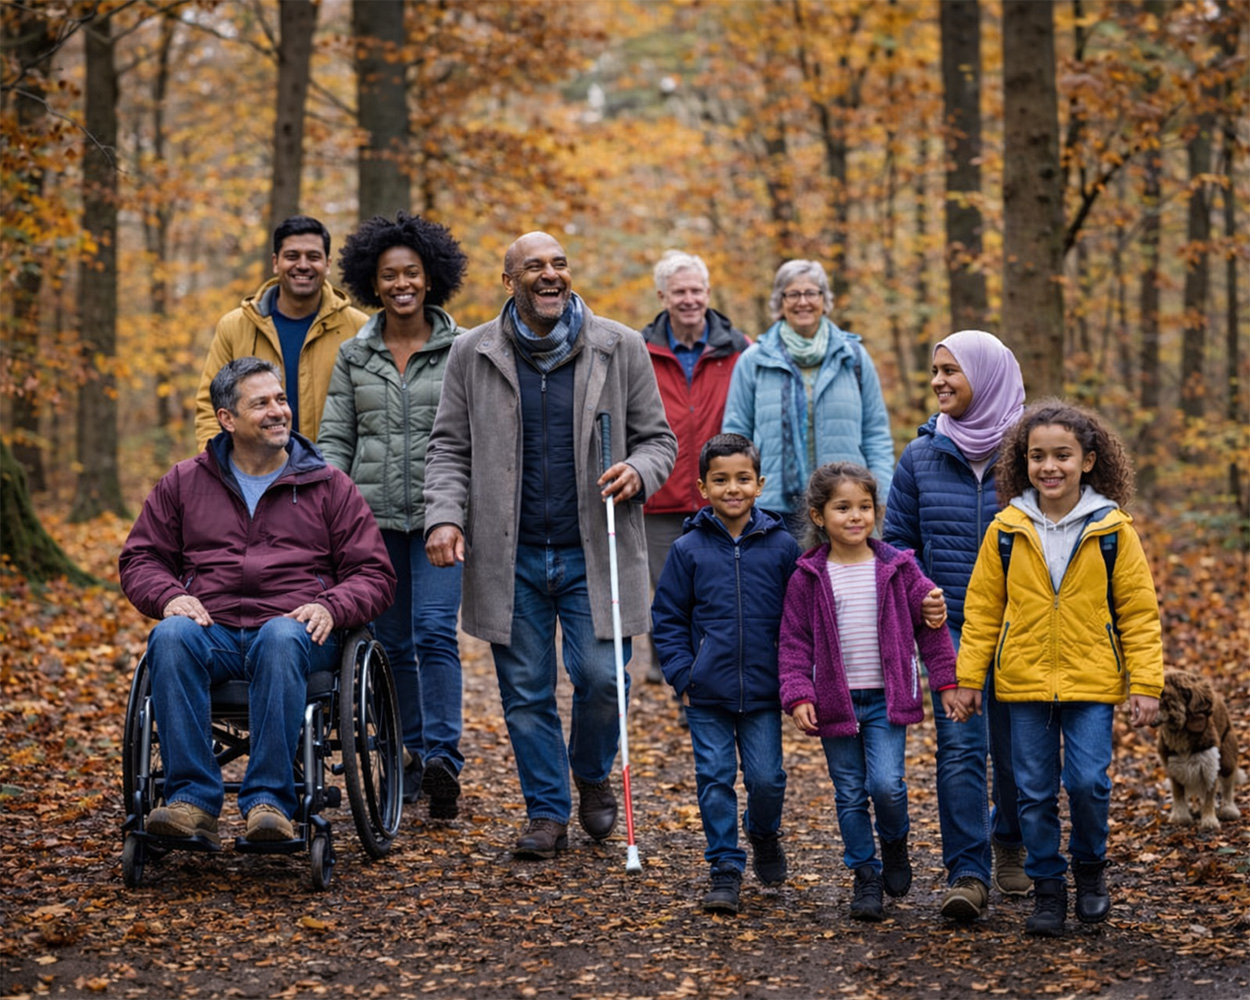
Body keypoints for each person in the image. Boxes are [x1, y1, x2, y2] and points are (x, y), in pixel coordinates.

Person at [423, 231, 677, 860]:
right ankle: (545, 811)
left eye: (559, 263)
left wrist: (639, 471)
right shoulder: (471, 351)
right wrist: (445, 518)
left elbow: (659, 440)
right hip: (510, 558)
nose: (550, 274)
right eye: (533, 266)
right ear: (508, 281)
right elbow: (449, 447)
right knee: (526, 693)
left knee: (600, 681)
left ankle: (590, 772)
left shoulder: (618, 346)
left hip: (596, 550)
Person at [120, 357, 396, 845]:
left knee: (280, 635)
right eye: (262, 403)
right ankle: (190, 801)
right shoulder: (185, 483)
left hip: (299, 634)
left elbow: (374, 573)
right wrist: (168, 597)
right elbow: (141, 558)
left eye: (281, 399)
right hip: (215, 632)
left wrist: (331, 605)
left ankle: (270, 801)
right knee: (170, 636)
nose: (278, 412)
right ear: (227, 419)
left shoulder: (329, 485)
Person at [953, 400, 1163, 937]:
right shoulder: (1006, 528)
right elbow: (981, 609)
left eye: (1063, 455)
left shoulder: (1113, 529)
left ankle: (1090, 873)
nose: (1050, 466)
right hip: (1022, 683)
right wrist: (969, 678)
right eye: (1038, 456)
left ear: (1089, 461)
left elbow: (1138, 612)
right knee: (1032, 791)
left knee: (1089, 782)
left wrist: (1145, 684)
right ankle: (1048, 888)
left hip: (1091, 680)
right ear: (1024, 462)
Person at [318, 212, 470, 819]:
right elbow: (335, 438)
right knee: (392, 642)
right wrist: (332, 508)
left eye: (412, 273)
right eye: (389, 276)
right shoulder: (356, 355)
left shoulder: (462, 349)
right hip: (373, 522)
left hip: (441, 519)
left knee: (436, 632)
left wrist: (460, 510)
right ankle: (406, 756)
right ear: (371, 284)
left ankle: (444, 761)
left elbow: (474, 436)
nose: (401, 283)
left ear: (431, 279)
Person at [881, 329, 1027, 921]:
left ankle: (1012, 841)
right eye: (934, 370)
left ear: (986, 376)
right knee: (960, 749)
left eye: (951, 370)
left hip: (1022, 627)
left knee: (1019, 750)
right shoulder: (920, 456)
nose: (939, 380)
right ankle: (967, 872)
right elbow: (897, 544)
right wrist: (922, 593)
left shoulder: (1030, 454)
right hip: (953, 629)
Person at [778, 463, 957, 922]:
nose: (855, 517)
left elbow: (931, 626)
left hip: (885, 699)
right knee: (850, 795)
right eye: (843, 508)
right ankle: (865, 875)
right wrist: (799, 693)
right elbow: (794, 641)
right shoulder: (807, 577)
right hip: (835, 701)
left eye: (864, 507)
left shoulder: (898, 566)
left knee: (886, 786)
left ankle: (895, 842)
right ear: (819, 517)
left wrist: (946, 681)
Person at [651, 434, 801, 915]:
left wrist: (795, 675)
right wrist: (681, 675)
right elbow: (668, 618)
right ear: (702, 486)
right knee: (714, 779)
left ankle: (762, 832)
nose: (732, 488)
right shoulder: (688, 549)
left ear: (759, 484)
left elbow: (799, 618)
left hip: (763, 690)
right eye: (720, 479)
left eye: (742, 479)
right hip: (707, 691)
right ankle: (724, 867)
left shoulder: (782, 547)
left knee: (766, 778)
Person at [638, 251, 751, 692]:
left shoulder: (740, 347)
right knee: (671, 592)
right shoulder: (640, 350)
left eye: (696, 290)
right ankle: (680, 677)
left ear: (708, 293)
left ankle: (707, 683)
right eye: (679, 291)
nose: (689, 299)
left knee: (716, 592)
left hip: (723, 494)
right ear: (663, 296)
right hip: (660, 497)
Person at [722, 260, 894, 538]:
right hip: (775, 508)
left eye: (811, 293)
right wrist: (740, 494)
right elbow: (735, 438)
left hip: (845, 503)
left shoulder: (854, 357)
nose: (803, 302)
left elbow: (876, 433)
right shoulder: (753, 360)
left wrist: (881, 493)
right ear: (780, 302)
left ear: (824, 300)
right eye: (793, 294)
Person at [194, 216, 368, 450]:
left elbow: (371, 412)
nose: (303, 265)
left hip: (331, 476)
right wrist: (219, 468)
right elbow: (210, 407)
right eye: (292, 256)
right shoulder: (236, 327)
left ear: (328, 264)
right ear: (276, 262)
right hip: (253, 474)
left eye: (313, 257)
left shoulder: (358, 329)